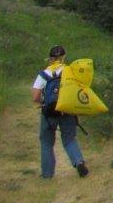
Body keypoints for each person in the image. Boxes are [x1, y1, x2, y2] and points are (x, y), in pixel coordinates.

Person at [31, 45, 89, 179]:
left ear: (50, 59)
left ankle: (47, 174)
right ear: (64, 57)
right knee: (69, 139)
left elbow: (35, 97)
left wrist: (43, 103)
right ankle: (78, 162)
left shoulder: (44, 74)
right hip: (67, 110)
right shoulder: (70, 72)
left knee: (46, 142)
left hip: (49, 112)